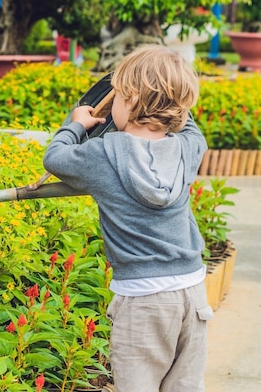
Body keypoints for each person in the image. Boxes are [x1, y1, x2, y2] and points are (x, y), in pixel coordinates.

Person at [43, 44, 212, 392]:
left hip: (143, 300)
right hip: (192, 292)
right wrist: (171, 99)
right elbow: (192, 130)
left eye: (117, 95)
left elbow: (55, 158)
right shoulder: (187, 148)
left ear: (131, 99)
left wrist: (76, 124)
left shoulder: (102, 154)